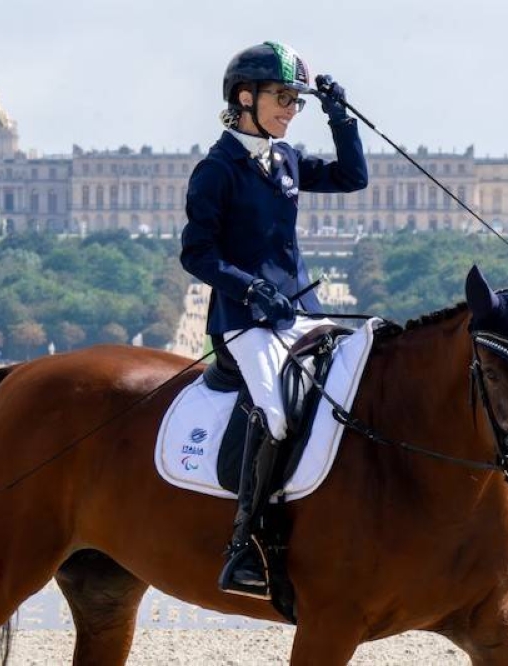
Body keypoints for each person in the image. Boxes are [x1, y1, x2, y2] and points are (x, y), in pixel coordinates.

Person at [181, 41, 368, 599]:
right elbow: (198, 254)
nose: (291, 109)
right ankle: (246, 545)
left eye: (296, 101)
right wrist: (253, 288)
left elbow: (352, 177)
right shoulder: (216, 169)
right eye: (283, 98)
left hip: (298, 312)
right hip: (244, 320)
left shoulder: (283, 159)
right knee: (276, 414)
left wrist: (340, 116)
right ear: (246, 97)